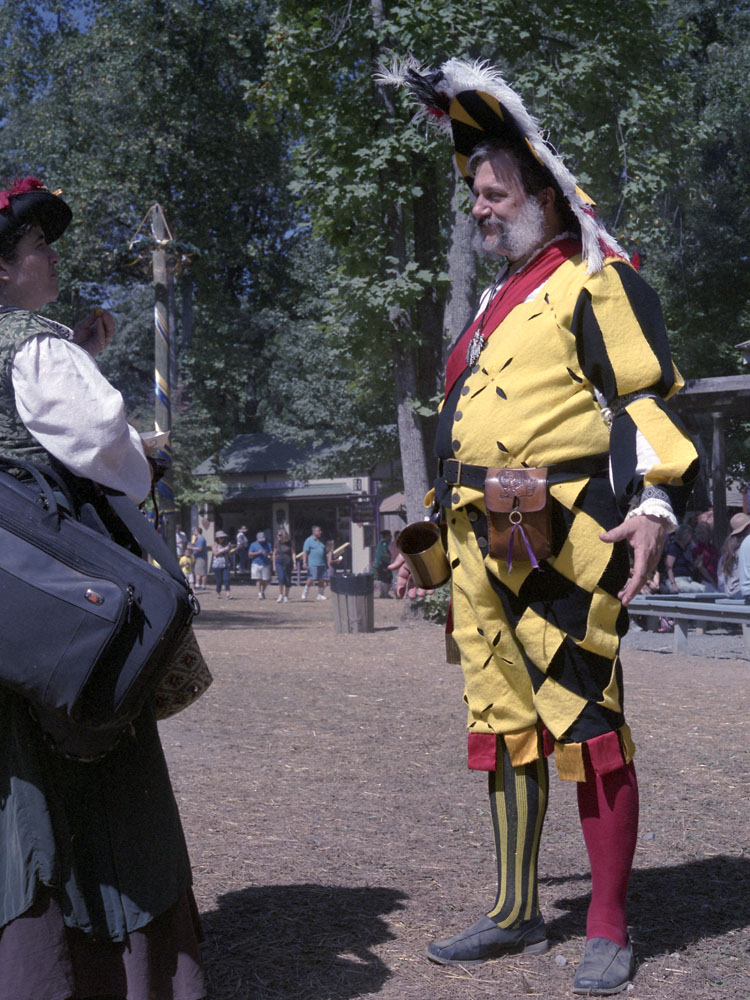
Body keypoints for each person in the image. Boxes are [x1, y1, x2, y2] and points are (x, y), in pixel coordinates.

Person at [379, 60, 698, 995]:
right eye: (473, 193)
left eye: (493, 191)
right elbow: (464, 441)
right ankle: (517, 912)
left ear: (545, 198)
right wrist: (433, 550)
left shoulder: (596, 282)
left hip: (565, 543)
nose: (478, 207)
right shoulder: (487, 306)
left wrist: (653, 503)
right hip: (483, 551)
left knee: (586, 722)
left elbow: (644, 398)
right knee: (505, 724)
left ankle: (606, 924)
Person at [0, 176, 204, 999]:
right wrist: (142, 457)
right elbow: (103, 446)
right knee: (91, 757)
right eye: (37, 247)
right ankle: (107, 975)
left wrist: (77, 352)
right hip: (65, 614)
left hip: (10, 598)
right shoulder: (33, 345)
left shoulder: (40, 347)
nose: (52, 257)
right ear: (4, 271)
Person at [664, 523, 714, 593]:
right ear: (686, 535)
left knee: (706, 589)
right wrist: (673, 585)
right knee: (693, 589)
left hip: (688, 580)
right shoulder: (674, 547)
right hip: (677, 580)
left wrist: (696, 562)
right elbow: (669, 567)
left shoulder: (685, 549)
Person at [718, 513, 750, 596]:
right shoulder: (746, 547)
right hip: (743, 594)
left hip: (730, 593)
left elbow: (721, 581)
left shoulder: (727, 549)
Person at [301, 524, 328, 600]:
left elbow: (324, 552)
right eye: (318, 531)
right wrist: (304, 562)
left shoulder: (321, 541)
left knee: (322, 579)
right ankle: (305, 593)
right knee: (311, 579)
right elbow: (305, 552)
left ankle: (320, 594)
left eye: (320, 531)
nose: (320, 532)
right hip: (313, 563)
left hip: (322, 563)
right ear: (314, 532)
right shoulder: (308, 540)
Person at [692, 520, 719, 589]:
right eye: (699, 533)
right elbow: (700, 566)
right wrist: (712, 581)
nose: (701, 536)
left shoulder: (713, 548)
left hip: (716, 580)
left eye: (703, 533)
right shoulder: (697, 549)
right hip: (704, 582)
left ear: (708, 534)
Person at [248, 530, 272, 599]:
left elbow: (271, 553)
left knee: (265, 579)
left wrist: (268, 553)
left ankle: (263, 591)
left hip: (265, 563)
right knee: (258, 579)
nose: (261, 541)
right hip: (256, 563)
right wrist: (257, 553)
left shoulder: (268, 544)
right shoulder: (253, 544)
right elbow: (249, 554)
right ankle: (259, 593)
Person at [273, 529, 293, 602]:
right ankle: (281, 594)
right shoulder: (276, 543)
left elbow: (293, 552)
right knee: (281, 578)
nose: (278, 536)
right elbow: (274, 554)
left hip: (288, 562)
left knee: (288, 579)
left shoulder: (289, 543)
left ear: (284, 536)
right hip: (279, 562)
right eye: (278, 535)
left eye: (280, 535)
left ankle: (286, 596)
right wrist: (274, 565)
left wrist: (294, 563)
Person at [212, 530, 233, 599]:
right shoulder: (214, 544)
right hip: (217, 565)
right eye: (221, 537)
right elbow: (216, 554)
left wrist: (230, 550)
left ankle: (228, 594)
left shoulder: (225, 544)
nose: (222, 539)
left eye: (223, 537)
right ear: (217, 538)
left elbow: (228, 554)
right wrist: (224, 549)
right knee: (219, 580)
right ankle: (218, 593)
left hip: (225, 564)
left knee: (226, 579)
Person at [373, 529, 393, 597]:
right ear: (387, 536)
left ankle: (382, 594)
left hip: (378, 564)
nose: (391, 537)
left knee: (382, 579)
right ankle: (385, 594)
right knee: (386, 578)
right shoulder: (384, 543)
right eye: (390, 535)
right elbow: (385, 554)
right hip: (383, 563)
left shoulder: (380, 542)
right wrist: (393, 556)